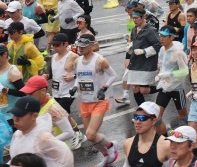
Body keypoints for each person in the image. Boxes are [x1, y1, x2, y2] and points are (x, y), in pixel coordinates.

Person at [74, 34, 119, 165]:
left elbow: (113, 75)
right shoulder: (77, 61)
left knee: (92, 134)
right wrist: (75, 87)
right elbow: (78, 77)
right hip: (84, 101)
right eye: (79, 46)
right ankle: (106, 155)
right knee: (90, 137)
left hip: (98, 101)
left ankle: (110, 146)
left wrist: (104, 88)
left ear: (92, 46)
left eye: (83, 46)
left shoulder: (100, 61)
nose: (80, 48)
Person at [8, 96, 74, 167]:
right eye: (14, 114)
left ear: (34, 116)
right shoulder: (17, 134)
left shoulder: (43, 138)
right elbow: (14, 158)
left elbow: (66, 159)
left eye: (19, 115)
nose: (15, 119)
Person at [154, 26, 189, 132]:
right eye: (160, 36)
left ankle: (187, 136)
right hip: (164, 87)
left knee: (183, 116)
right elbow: (160, 65)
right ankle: (163, 139)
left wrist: (169, 74)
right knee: (156, 116)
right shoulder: (161, 50)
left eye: (164, 36)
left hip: (177, 88)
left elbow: (185, 71)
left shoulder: (177, 52)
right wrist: (159, 74)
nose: (161, 38)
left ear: (172, 37)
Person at [128, 8, 161, 106]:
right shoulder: (134, 29)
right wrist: (130, 47)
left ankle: (163, 88)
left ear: (143, 18)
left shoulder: (151, 30)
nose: (134, 20)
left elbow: (158, 46)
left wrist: (144, 51)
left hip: (147, 63)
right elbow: (134, 41)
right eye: (133, 18)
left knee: (143, 90)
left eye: (136, 18)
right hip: (135, 62)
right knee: (134, 88)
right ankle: (142, 109)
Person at [123, 101, 170, 166]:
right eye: (136, 117)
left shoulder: (166, 145)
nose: (138, 122)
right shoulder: (128, 143)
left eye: (142, 118)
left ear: (154, 121)